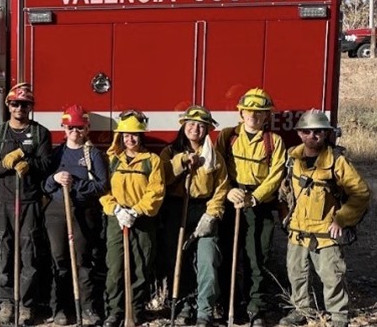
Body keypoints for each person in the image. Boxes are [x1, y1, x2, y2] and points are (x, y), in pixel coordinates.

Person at [277, 109, 370, 327]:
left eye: (318, 131)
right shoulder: (292, 158)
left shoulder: (337, 162)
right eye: (307, 131)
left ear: (327, 134)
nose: (313, 136)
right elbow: (283, 191)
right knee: (297, 275)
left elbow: (361, 192)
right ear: (300, 134)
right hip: (297, 231)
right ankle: (301, 310)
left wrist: (342, 218)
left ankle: (338, 315)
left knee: (332, 276)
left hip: (325, 233)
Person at [215, 88, 285, 327]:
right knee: (228, 257)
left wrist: (254, 197)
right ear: (241, 112)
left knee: (257, 259)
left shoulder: (274, 142)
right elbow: (218, 167)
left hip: (258, 205)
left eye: (260, 112)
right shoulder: (227, 136)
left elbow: (276, 175)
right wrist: (228, 190)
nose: (253, 115)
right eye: (249, 111)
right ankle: (229, 306)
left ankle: (256, 309)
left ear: (267, 116)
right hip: (231, 200)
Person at [0, 83, 52, 325]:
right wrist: (6, 163)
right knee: (3, 254)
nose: (19, 108)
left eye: (24, 104)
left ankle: (26, 305)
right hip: (2, 202)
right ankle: (6, 302)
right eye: (15, 103)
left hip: (29, 202)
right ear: (8, 105)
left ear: (30, 107)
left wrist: (30, 164)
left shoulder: (40, 133)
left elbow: (47, 164)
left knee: (29, 255)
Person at [158, 105, 230, 327]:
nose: (195, 129)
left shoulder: (215, 157)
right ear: (183, 126)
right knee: (179, 261)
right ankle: (184, 306)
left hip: (203, 209)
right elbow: (162, 179)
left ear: (208, 129)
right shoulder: (170, 153)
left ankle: (204, 311)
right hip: (175, 209)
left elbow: (221, 187)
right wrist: (181, 162)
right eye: (191, 124)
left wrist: (212, 214)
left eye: (201, 126)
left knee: (208, 261)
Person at [42, 104, 107, 326]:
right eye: (71, 128)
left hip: (83, 211)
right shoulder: (56, 153)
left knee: (83, 260)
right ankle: (59, 308)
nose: (75, 132)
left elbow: (102, 185)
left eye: (80, 128)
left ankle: (87, 307)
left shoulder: (92, 154)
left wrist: (77, 184)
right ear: (64, 128)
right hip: (57, 212)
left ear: (87, 129)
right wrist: (55, 179)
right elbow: (43, 184)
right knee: (59, 259)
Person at [99, 110, 165, 327]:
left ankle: (134, 312)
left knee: (140, 268)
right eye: (126, 135)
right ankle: (114, 312)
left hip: (143, 219)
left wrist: (136, 211)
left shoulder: (152, 161)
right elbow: (103, 189)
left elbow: (156, 191)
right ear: (120, 136)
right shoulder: (111, 160)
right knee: (115, 268)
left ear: (141, 136)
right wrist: (116, 209)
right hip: (116, 219)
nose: (130, 138)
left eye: (135, 134)